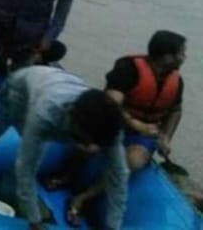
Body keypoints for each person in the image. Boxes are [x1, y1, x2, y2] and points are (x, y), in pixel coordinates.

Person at [0, 66, 127, 230]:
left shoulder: (110, 128)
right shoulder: (46, 113)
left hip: (54, 89)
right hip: (16, 93)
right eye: (86, 143)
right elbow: (25, 167)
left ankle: (3, 195)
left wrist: (113, 227)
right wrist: (35, 221)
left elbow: (119, 176)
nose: (90, 149)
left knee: (22, 170)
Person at [60, 30, 186, 223]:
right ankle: (66, 173)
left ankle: (83, 197)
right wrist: (134, 123)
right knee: (88, 143)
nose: (184, 57)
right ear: (167, 56)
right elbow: (112, 102)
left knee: (134, 161)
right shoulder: (128, 69)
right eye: (181, 53)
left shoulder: (177, 82)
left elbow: (175, 111)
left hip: (143, 134)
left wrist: (165, 137)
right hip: (113, 122)